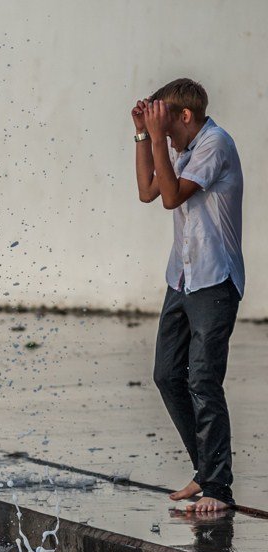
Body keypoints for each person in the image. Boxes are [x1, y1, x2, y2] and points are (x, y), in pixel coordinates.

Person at [132, 78, 243, 512]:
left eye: (168, 126)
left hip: (215, 281)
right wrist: (144, 135)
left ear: (185, 116)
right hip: (181, 277)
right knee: (166, 374)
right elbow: (147, 191)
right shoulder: (182, 147)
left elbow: (171, 197)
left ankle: (219, 487)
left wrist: (157, 137)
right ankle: (206, 470)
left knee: (203, 380)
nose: (168, 139)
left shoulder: (215, 143)